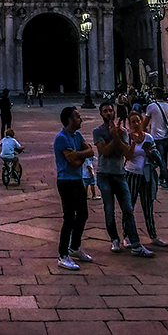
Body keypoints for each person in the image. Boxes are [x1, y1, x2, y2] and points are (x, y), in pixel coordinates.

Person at [92, 101, 153, 257]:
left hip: (120, 173)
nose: (108, 113)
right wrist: (114, 138)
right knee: (109, 209)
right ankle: (114, 239)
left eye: (110, 110)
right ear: (101, 113)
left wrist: (118, 136)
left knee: (128, 209)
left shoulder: (123, 131)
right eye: (105, 111)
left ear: (114, 112)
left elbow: (128, 154)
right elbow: (104, 151)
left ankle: (136, 244)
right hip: (104, 174)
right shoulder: (97, 131)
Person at [54, 106, 95, 270]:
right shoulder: (61, 138)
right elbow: (73, 162)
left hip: (77, 180)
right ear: (70, 120)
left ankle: (75, 247)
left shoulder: (77, 136)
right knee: (69, 217)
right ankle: (63, 255)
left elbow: (90, 152)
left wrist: (78, 154)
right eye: (77, 116)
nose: (81, 119)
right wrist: (81, 155)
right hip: (65, 181)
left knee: (83, 214)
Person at [125, 114, 168, 248]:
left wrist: (150, 153)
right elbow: (128, 155)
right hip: (131, 173)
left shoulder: (148, 137)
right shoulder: (127, 137)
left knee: (148, 205)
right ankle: (127, 236)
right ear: (129, 124)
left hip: (146, 174)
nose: (136, 124)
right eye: (133, 122)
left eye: (138, 121)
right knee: (129, 206)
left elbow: (157, 156)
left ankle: (153, 234)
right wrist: (133, 142)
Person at [145, 91, 168, 190]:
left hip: (157, 137)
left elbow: (145, 122)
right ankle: (161, 178)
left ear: (155, 96)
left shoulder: (151, 106)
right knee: (163, 159)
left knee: (160, 161)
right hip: (167, 137)